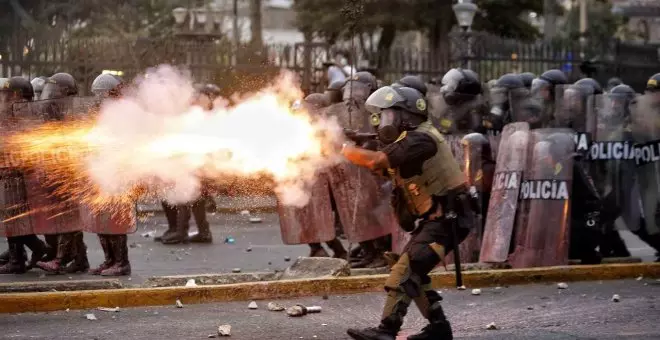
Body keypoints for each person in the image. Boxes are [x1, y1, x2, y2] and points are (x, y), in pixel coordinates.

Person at [343, 85, 475, 340]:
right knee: (414, 272)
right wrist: (364, 145)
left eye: (388, 115)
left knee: (405, 271)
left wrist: (344, 150)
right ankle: (439, 328)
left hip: (448, 219)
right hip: (438, 220)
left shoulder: (421, 139)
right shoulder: (409, 142)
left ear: (406, 116)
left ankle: (387, 331)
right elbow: (384, 166)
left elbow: (376, 161)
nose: (383, 122)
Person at [35, 73, 90, 274]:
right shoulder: (56, 114)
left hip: (70, 173)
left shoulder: (74, 114)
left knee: (67, 217)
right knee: (67, 218)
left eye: (55, 93)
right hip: (58, 171)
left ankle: (59, 260)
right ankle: (80, 259)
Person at [0, 77, 53, 274]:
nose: (4, 100)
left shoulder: (25, 118)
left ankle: (19, 259)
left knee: (14, 219)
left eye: (8, 96)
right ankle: (26, 252)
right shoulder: (12, 115)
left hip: (17, 176)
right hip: (9, 175)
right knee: (12, 218)